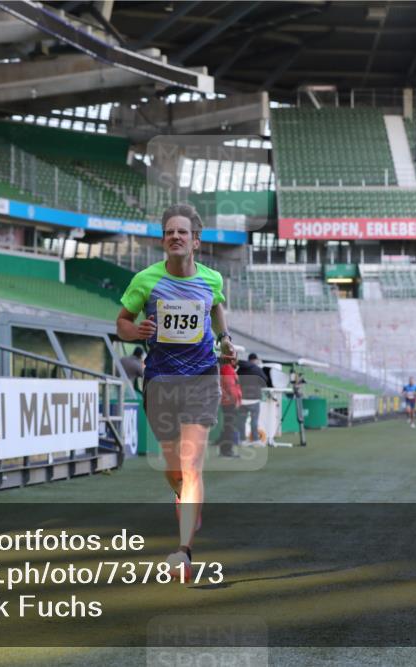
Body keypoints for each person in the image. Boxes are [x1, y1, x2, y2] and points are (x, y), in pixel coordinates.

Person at [116, 203, 234, 579]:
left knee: (192, 463)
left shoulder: (212, 279)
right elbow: (121, 323)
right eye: (169, 232)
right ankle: (182, 496)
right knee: (173, 468)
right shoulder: (145, 280)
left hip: (202, 378)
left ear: (195, 241)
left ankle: (184, 552)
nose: (175, 236)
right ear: (163, 240)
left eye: (182, 231)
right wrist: (135, 331)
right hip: (161, 382)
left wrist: (225, 338)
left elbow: (217, 308)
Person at [236, 353, 270, 443]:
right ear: (255, 360)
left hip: (242, 399)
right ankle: (255, 439)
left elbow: (236, 381)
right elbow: (265, 381)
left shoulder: (240, 369)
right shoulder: (257, 369)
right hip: (254, 399)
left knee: (241, 420)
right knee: (254, 420)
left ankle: (242, 439)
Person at [218, 356, 243, 457]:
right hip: (230, 402)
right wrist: (235, 400)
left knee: (228, 426)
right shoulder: (228, 369)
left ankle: (224, 449)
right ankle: (227, 450)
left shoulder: (226, 369)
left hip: (227, 401)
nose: (236, 361)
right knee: (229, 427)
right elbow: (230, 386)